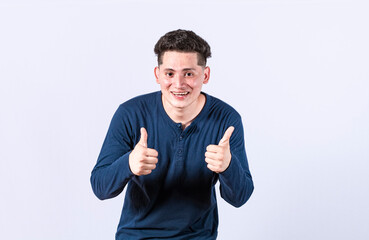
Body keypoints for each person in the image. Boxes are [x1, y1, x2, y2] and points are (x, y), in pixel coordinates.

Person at [90, 29, 254, 239]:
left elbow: (240, 197)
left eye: (189, 73)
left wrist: (228, 167)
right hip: (137, 236)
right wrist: (129, 164)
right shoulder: (129, 114)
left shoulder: (227, 119)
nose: (178, 84)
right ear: (158, 75)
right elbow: (100, 187)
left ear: (205, 75)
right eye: (169, 73)